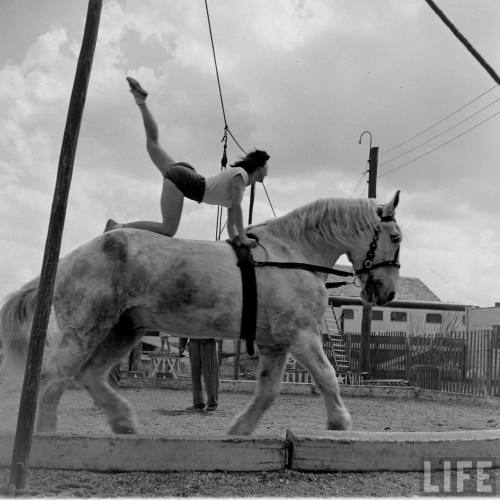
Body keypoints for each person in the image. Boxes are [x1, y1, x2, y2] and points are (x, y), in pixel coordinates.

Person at [105, 77, 270, 247]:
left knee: (153, 145)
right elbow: (236, 207)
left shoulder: (239, 183)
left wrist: (236, 239)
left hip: (187, 175)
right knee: (168, 229)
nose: (267, 171)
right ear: (258, 167)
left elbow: (231, 223)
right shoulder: (240, 176)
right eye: (266, 167)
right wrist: (243, 238)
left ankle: (141, 101)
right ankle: (118, 227)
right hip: (185, 181)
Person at [179, 337, 219, 412]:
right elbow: (185, 326)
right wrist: (182, 345)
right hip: (193, 342)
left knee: (210, 373)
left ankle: (212, 403)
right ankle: (198, 403)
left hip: (209, 342)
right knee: (195, 374)